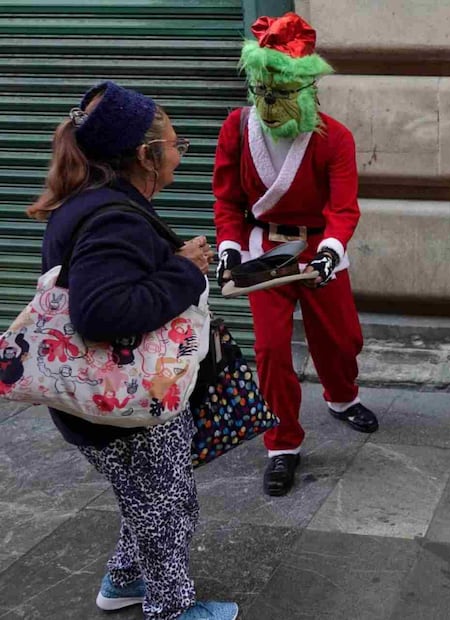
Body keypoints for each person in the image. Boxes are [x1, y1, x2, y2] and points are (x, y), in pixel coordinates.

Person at [27, 81, 238, 620]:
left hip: (98, 404)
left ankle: (123, 580)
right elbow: (98, 313)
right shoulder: (112, 216)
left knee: (145, 500)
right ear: (146, 155)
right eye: (174, 145)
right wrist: (185, 270)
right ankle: (170, 609)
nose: (178, 154)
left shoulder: (90, 203)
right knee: (168, 510)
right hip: (127, 408)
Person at [212, 12, 378, 498]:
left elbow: (344, 208)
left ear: (305, 88)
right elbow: (227, 199)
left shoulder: (336, 138)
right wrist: (228, 247)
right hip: (265, 253)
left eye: (280, 94)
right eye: (262, 92)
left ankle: (342, 397)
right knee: (269, 350)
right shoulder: (235, 129)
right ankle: (281, 444)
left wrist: (329, 250)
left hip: (317, 249)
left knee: (342, 339)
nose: (269, 105)